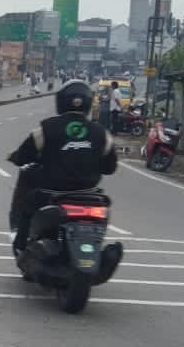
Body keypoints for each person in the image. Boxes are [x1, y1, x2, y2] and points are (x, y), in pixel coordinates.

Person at [8, 79, 117, 252]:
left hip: (51, 193)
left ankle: (20, 245)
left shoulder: (46, 128)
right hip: (89, 194)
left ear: (61, 102)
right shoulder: (101, 133)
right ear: (88, 102)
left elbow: (23, 156)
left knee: (27, 205)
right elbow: (110, 168)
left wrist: (15, 157)